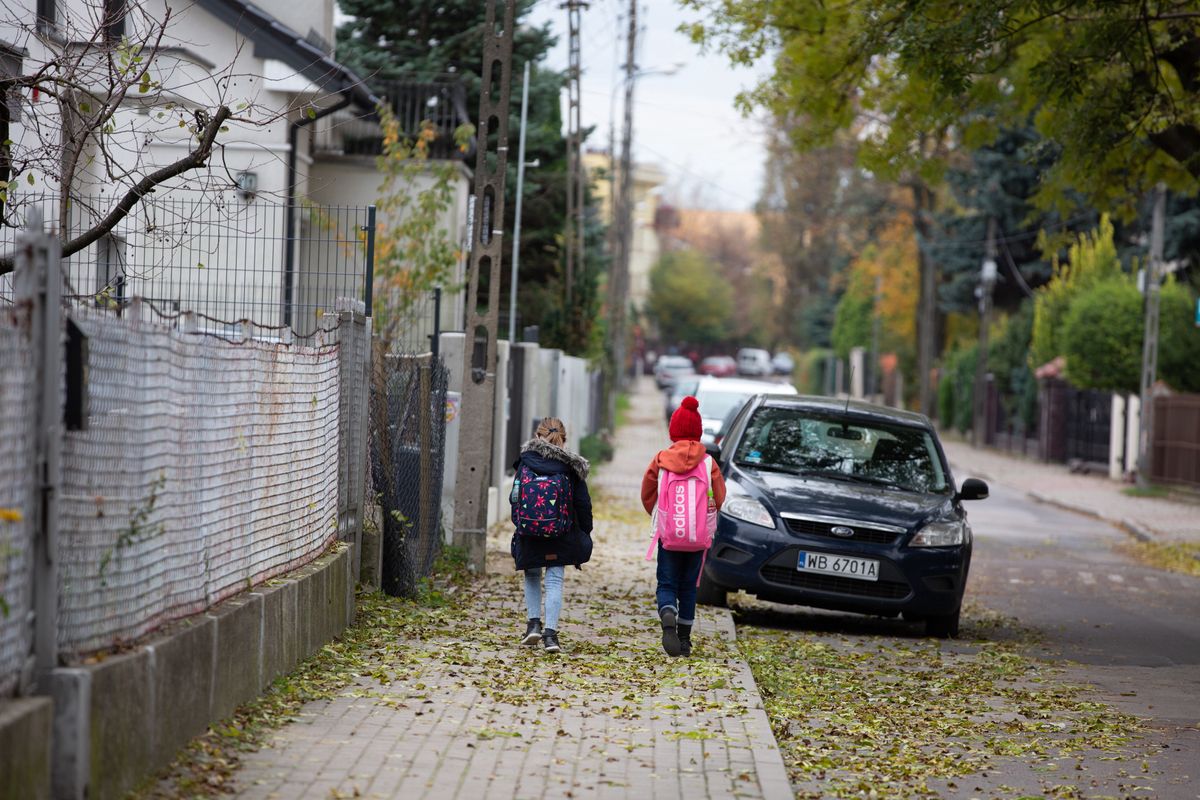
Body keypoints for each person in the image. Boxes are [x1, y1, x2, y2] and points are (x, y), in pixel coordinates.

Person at [641, 396, 726, 656]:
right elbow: (720, 497)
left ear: (673, 430)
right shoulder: (709, 463)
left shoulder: (661, 459)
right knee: (689, 586)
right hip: (698, 538)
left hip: (669, 535)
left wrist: (660, 517)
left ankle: (667, 610)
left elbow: (647, 493)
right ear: (698, 431)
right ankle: (685, 640)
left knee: (666, 583)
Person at [510, 417, 593, 654]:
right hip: (561, 533)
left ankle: (533, 624)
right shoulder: (571, 469)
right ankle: (551, 636)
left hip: (529, 532)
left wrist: (521, 524)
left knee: (532, 574)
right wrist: (584, 532)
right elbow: (583, 505)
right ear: (564, 441)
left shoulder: (524, 464)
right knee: (554, 580)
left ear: (537, 437)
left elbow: (514, 499)